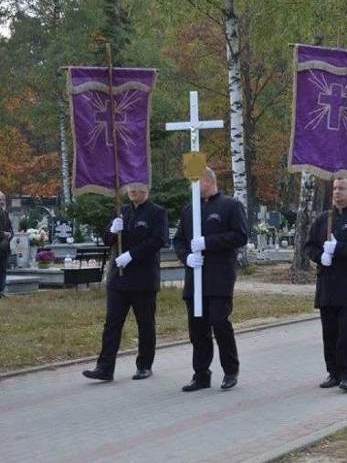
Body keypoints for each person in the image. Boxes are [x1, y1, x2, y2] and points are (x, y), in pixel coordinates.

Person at [82, 183, 168, 382]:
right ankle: (105, 367)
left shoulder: (156, 212)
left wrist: (132, 255)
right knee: (112, 323)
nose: (132, 192)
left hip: (143, 277)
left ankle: (144, 365)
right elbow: (106, 239)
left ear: (147, 190)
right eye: (130, 189)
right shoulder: (123, 211)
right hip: (118, 278)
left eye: (137, 189)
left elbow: (158, 240)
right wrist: (112, 230)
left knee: (145, 323)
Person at [173, 167, 248, 392]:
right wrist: (187, 257)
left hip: (219, 277)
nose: (191, 187)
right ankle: (201, 374)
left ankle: (230, 370)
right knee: (197, 328)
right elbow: (178, 241)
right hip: (195, 278)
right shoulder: (189, 210)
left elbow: (240, 235)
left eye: (194, 182)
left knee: (220, 322)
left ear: (207, 181)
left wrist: (208, 242)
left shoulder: (230, 206)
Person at [305, 177, 347, 392]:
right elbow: (309, 246)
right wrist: (319, 256)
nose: (336, 192)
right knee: (330, 333)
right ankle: (333, 372)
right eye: (334, 188)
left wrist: (339, 248)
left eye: (341, 188)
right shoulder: (323, 219)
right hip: (327, 285)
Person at [0, 192, 11, 298]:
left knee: (3, 269)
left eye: (3, 199)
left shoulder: (5, 213)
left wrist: (9, 235)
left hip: (4, 247)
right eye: (0, 199)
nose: (1, 202)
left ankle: (1, 291)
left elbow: (10, 228)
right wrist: (3, 234)